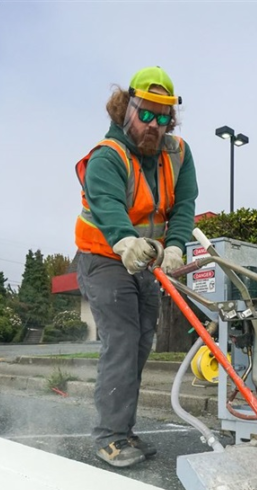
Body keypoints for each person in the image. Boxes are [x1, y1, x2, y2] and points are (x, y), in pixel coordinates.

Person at [74, 66, 198, 468]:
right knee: (123, 341)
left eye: (163, 118)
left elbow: (184, 205)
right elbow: (107, 205)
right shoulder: (107, 156)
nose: (154, 125)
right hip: (104, 257)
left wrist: (175, 245)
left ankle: (123, 430)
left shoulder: (178, 154)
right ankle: (109, 437)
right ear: (125, 110)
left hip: (144, 262)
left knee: (143, 343)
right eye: (145, 114)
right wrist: (125, 241)